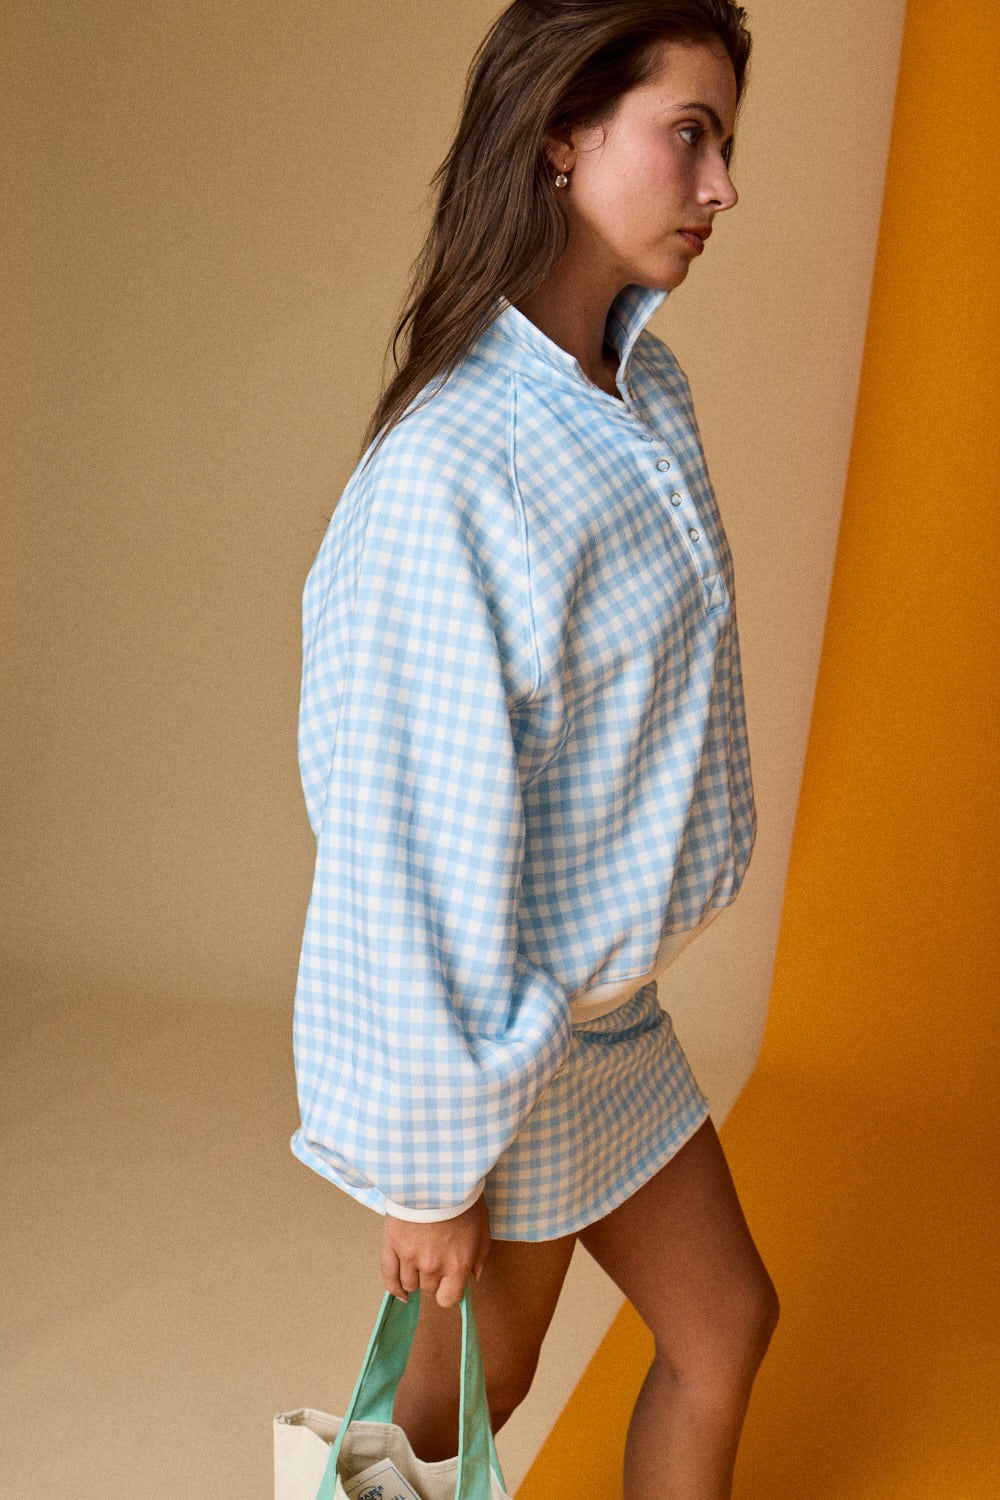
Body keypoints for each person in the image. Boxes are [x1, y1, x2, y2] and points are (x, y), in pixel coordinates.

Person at [290, 1, 778, 1494]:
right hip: (501, 1048)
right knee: (441, 1423)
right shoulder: (457, 469)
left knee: (723, 1326)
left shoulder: (645, 395)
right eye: (688, 135)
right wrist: (430, 1169)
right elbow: (408, 843)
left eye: (726, 143)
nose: (722, 187)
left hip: (607, 1023)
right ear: (565, 132)